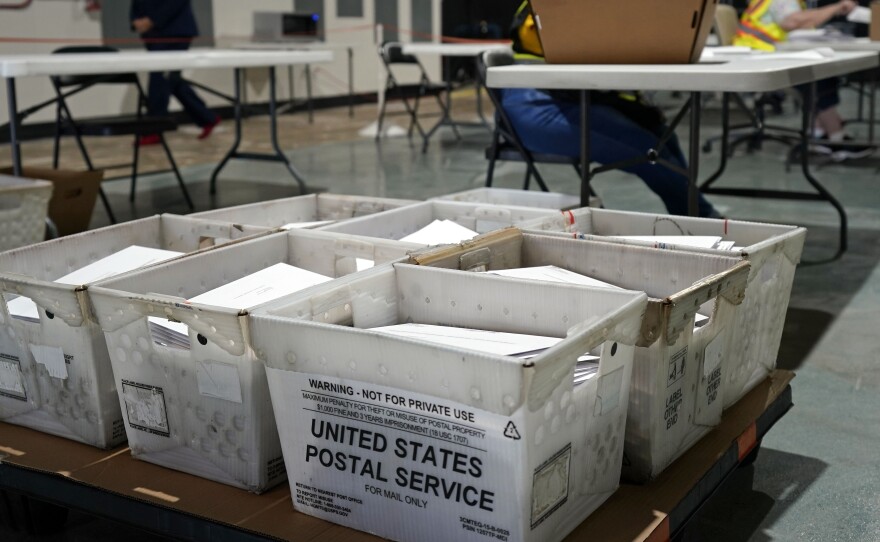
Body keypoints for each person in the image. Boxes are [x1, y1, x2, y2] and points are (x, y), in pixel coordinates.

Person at [501, 2, 720, 217]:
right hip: (535, 104)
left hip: (570, 95)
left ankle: (695, 217)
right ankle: (703, 221)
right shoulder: (552, 9)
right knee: (651, 152)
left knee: (661, 133)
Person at [734, 0, 873, 160]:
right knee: (816, 76)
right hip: (759, 59)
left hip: (768, 54)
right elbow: (792, 22)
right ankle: (835, 137)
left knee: (820, 72)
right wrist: (835, 8)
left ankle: (819, 133)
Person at [131, 0, 220, 146]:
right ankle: (207, 117)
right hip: (154, 34)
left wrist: (152, 20)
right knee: (171, 80)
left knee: (159, 81)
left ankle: (154, 129)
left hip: (173, 30)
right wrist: (135, 20)